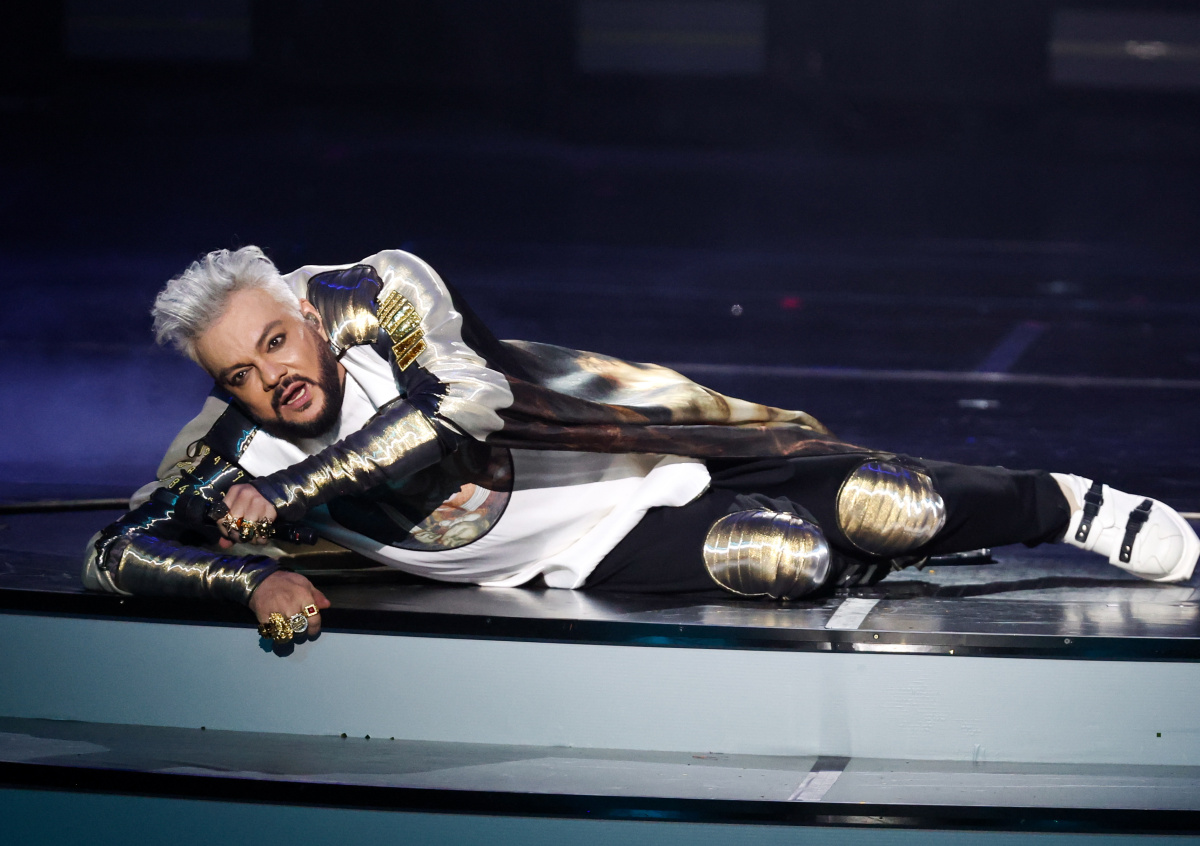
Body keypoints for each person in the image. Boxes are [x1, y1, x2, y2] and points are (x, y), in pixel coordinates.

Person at [83, 247, 1200, 644]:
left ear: (301, 315)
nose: (271, 378)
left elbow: (456, 408)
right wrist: (251, 578)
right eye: (239, 375)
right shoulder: (231, 451)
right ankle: (870, 546)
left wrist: (294, 496)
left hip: (627, 455)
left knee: (889, 504)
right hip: (587, 552)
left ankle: (1066, 504)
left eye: (275, 343)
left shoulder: (373, 295)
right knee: (788, 560)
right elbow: (115, 551)